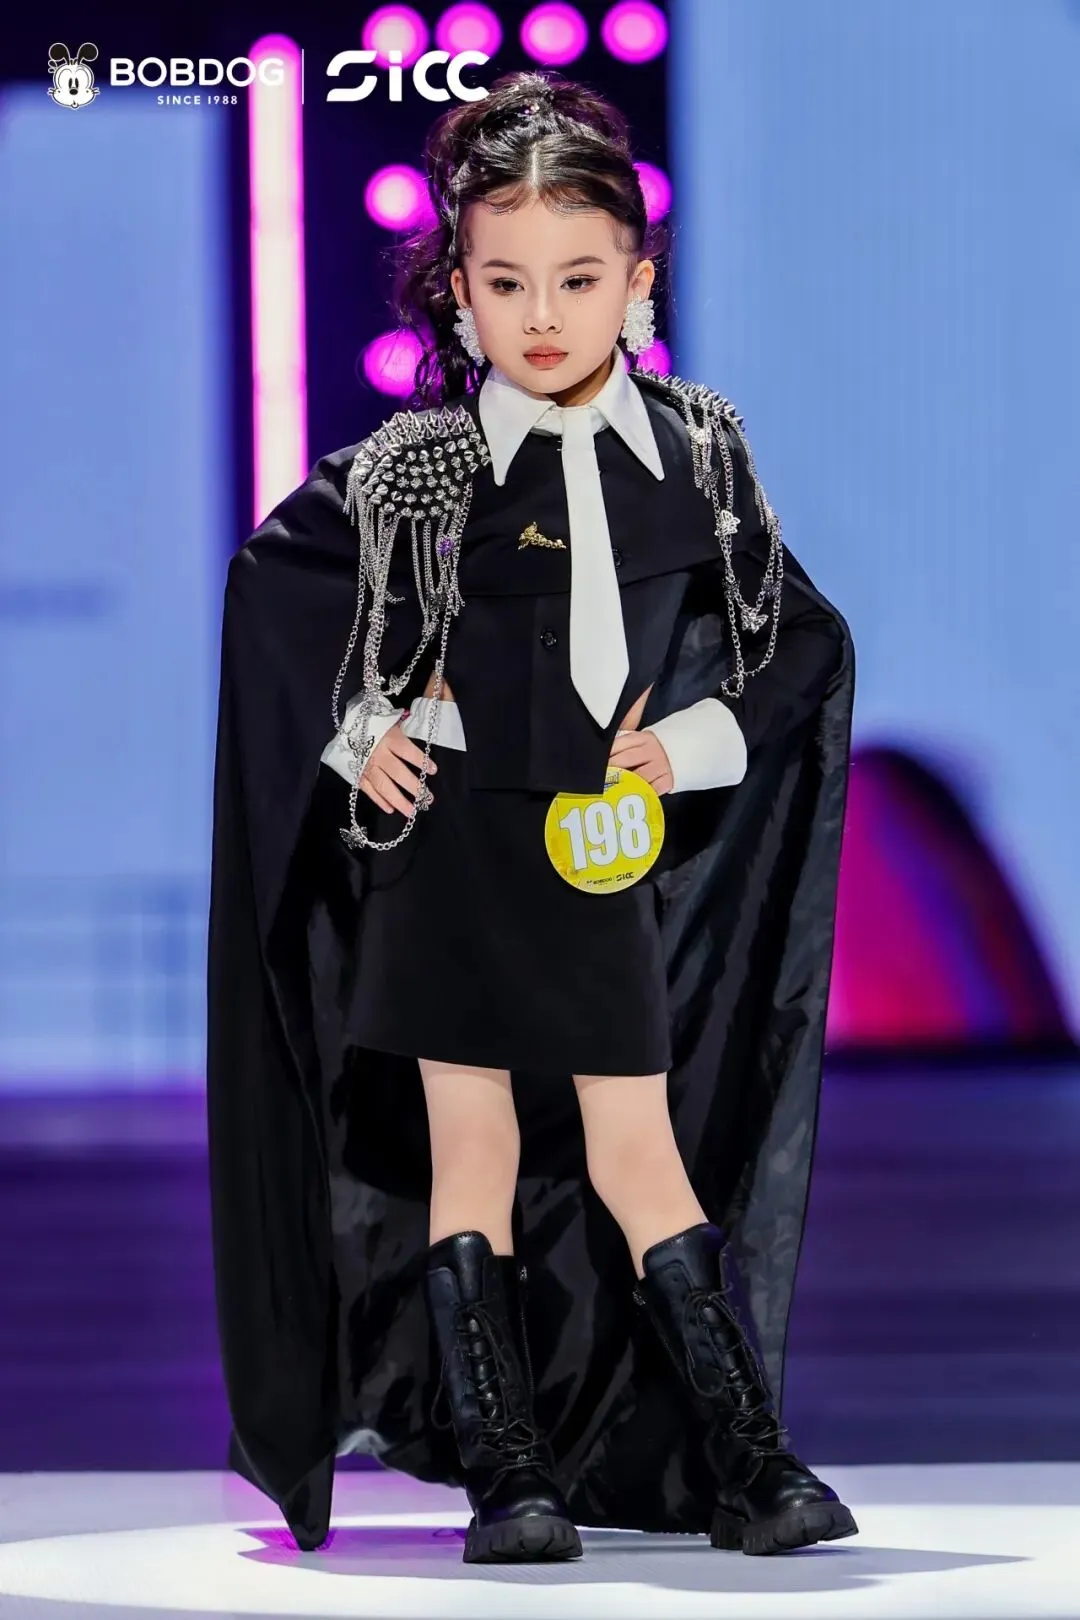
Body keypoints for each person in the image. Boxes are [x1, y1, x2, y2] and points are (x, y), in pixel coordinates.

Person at [207, 70, 858, 1568]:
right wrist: (362, 736)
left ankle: (752, 1461)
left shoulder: (695, 450)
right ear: (457, 285)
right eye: (505, 283)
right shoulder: (415, 468)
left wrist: (687, 743)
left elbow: (796, 644)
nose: (543, 316)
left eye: (577, 278)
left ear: (639, 278)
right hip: (451, 851)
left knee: (637, 1141)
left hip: (601, 847)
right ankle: (510, 1479)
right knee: (474, 1144)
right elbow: (278, 605)